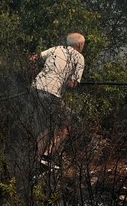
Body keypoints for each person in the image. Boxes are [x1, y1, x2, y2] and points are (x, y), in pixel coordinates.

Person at [30, 33, 86, 168]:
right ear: (79, 45)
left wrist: (39, 74)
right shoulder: (79, 57)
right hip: (51, 93)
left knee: (43, 125)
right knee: (66, 124)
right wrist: (63, 80)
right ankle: (46, 156)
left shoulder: (55, 49)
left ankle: (35, 160)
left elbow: (33, 58)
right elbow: (73, 84)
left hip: (35, 88)